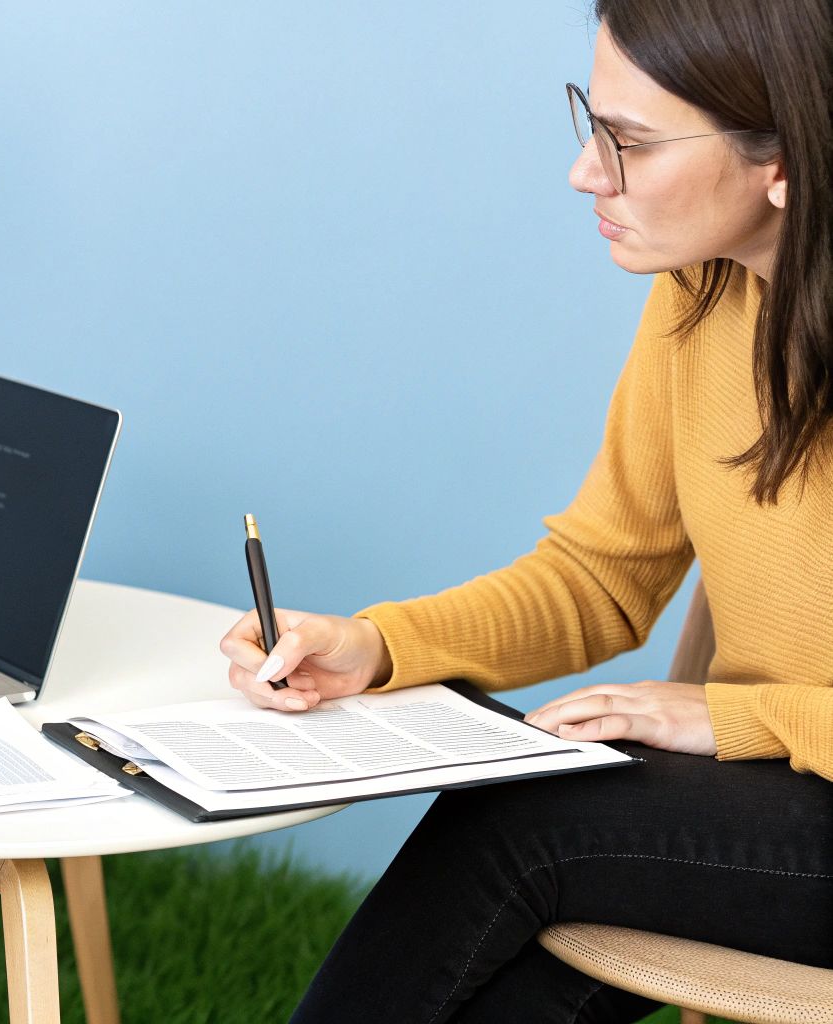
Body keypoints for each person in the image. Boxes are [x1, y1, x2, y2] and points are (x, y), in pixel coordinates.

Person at [216, 1, 833, 1020]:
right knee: (514, 952)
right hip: (771, 800)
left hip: (792, 793)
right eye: (591, 122)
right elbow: (599, 576)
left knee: (526, 824)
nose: (584, 172)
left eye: (629, 143)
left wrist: (737, 716)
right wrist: (377, 644)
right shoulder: (698, 293)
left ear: (784, 159)